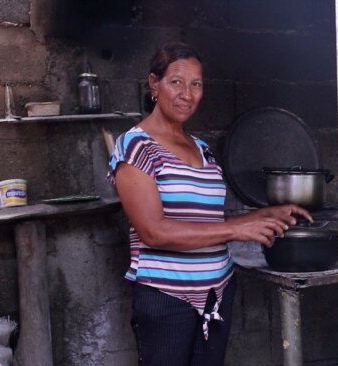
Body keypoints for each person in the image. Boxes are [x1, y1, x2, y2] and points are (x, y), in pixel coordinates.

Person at [107, 41, 312, 366]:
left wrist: (265, 214)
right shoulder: (135, 147)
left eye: (196, 84)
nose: (187, 93)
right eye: (176, 82)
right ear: (153, 83)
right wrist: (238, 228)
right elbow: (153, 232)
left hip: (217, 291)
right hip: (166, 298)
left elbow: (209, 219)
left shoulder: (202, 148)